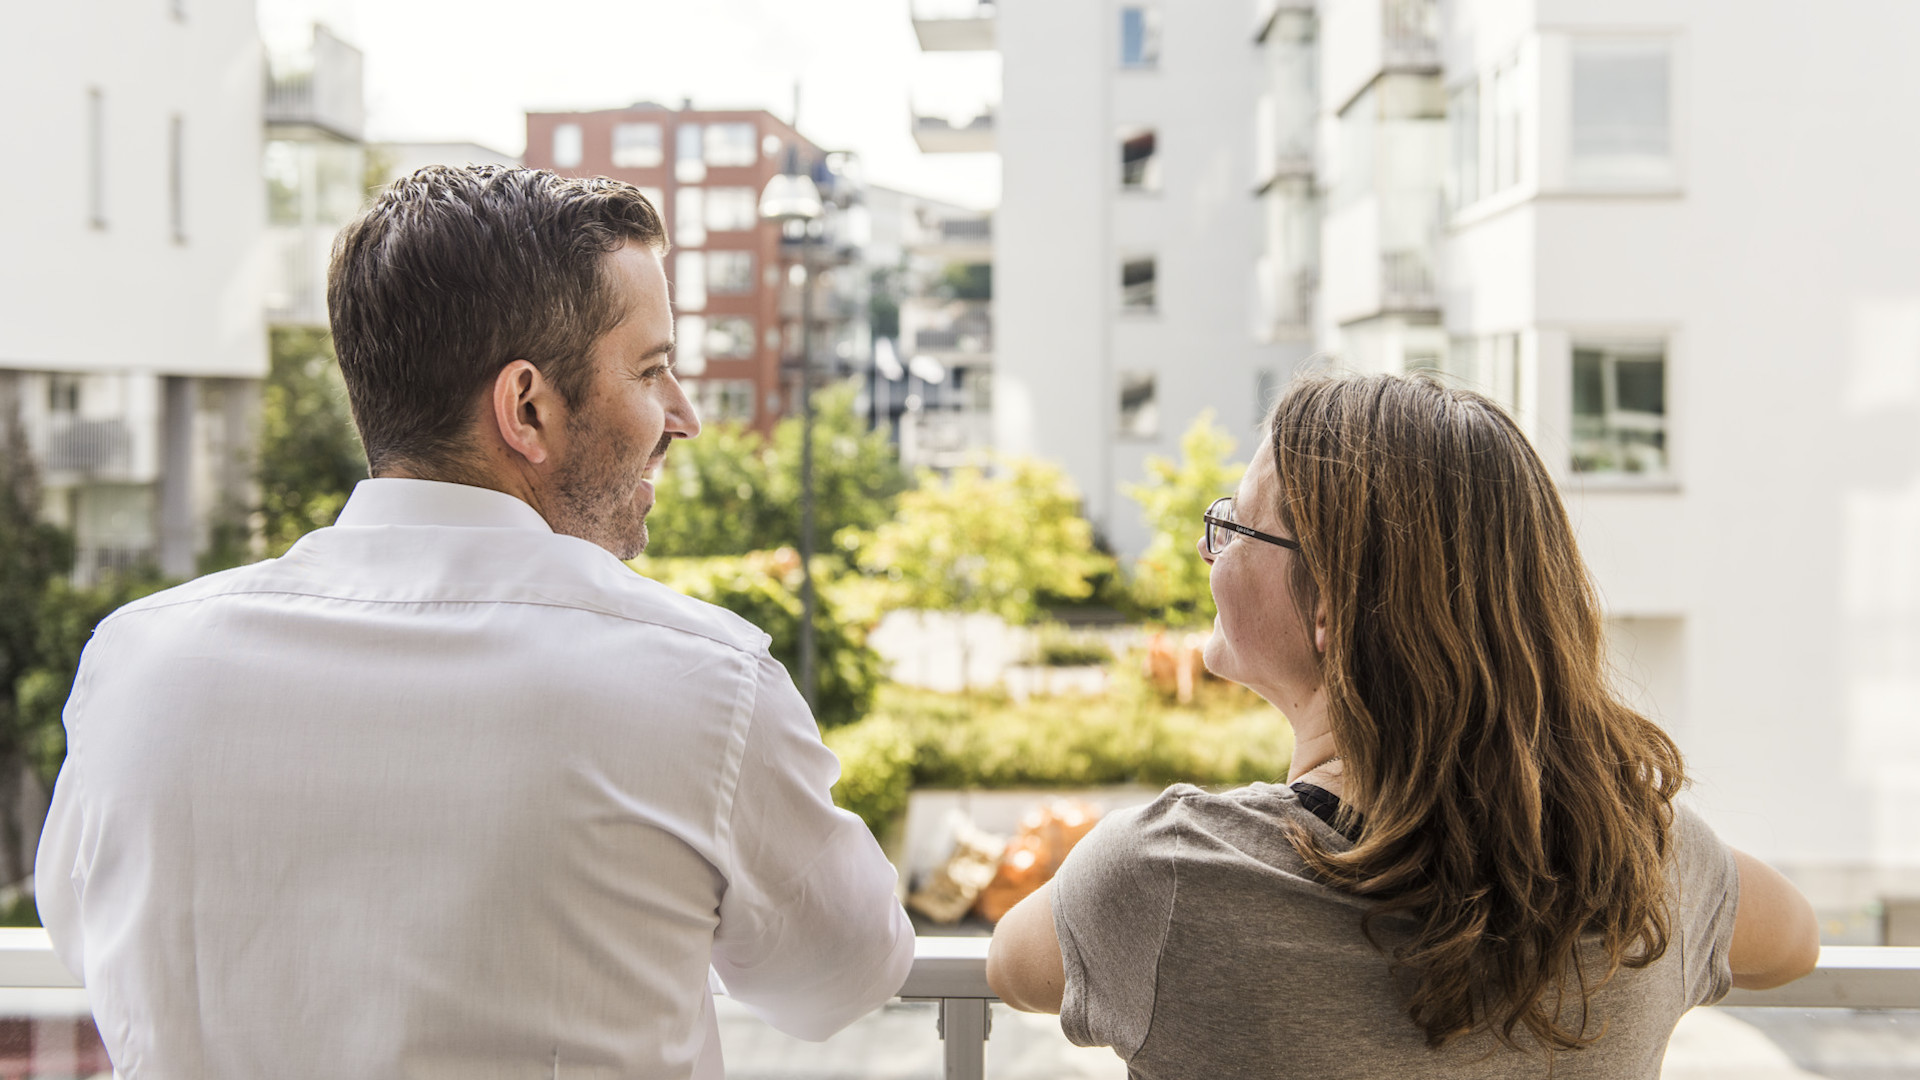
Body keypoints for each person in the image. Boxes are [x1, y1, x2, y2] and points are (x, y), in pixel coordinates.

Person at [35, 166, 914, 1078]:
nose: (681, 417)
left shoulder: (137, 666)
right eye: (651, 370)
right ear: (527, 408)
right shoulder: (704, 683)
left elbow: (81, 932)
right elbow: (844, 977)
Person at [986, 373, 1820, 1077]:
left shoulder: (1169, 872)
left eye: (1234, 525)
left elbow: (1011, 966)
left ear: (1332, 607)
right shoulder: (1644, 861)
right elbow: (1792, 943)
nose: (1212, 553)